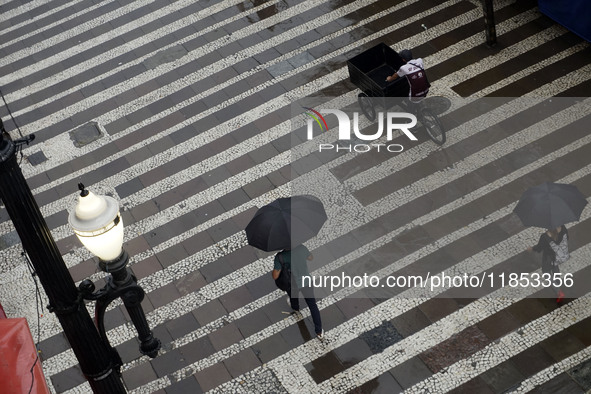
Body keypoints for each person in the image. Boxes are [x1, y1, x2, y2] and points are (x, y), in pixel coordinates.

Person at [272, 244, 324, 340]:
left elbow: (275, 276)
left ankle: (296, 308)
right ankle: (319, 331)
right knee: (312, 305)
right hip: (306, 282)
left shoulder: (280, 257)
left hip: (292, 284)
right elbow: (311, 258)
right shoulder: (302, 248)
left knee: (293, 297)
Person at [527, 225, 569, 304]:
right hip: (558, 255)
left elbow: (539, 247)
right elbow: (567, 238)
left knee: (546, 273)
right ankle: (557, 282)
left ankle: (558, 291)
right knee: (555, 268)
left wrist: (532, 248)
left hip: (548, 258)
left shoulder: (545, 236)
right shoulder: (562, 228)